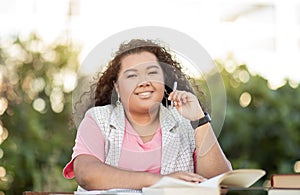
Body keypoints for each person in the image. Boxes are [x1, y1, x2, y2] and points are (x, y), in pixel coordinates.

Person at [63, 39, 232, 191]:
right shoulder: (98, 119)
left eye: (152, 72)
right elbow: (86, 174)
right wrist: (160, 181)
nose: (144, 82)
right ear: (116, 87)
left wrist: (199, 120)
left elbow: (220, 184)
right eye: (131, 75)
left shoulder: (185, 123)